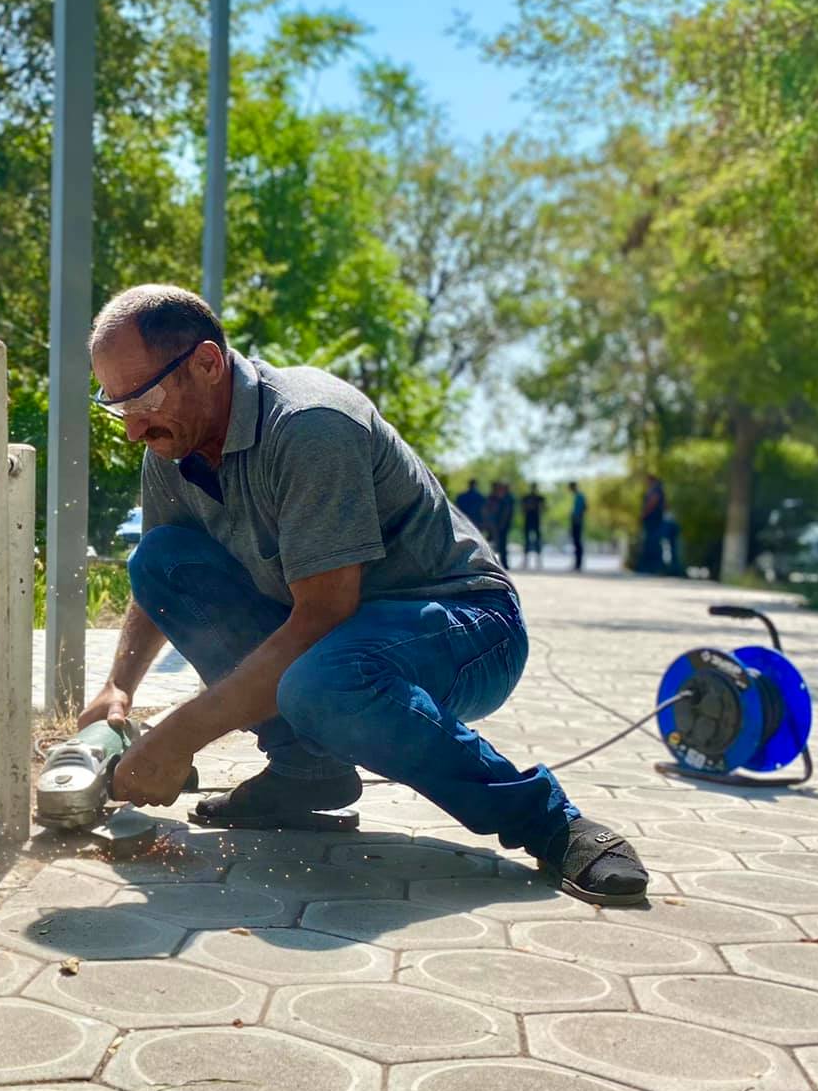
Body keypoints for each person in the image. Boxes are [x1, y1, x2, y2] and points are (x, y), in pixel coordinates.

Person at [79, 285, 647, 907]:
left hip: (465, 624)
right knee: (160, 561)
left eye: (145, 399)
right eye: (117, 406)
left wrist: (181, 734)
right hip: (337, 635)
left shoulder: (310, 425)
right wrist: (120, 686)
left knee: (325, 681)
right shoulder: (172, 441)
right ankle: (306, 774)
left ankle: (550, 823)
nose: (133, 429)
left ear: (209, 364)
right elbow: (161, 578)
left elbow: (323, 616)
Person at [639, 474, 667, 575]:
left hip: (653, 520)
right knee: (653, 542)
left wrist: (644, 513)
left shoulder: (655, 490)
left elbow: (653, 502)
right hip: (656, 519)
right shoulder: (659, 489)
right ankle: (653, 567)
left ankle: (652, 567)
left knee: (652, 542)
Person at [520, 484, 546, 570]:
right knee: (527, 541)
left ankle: (538, 561)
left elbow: (544, 508)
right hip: (529, 521)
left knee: (537, 541)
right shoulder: (526, 498)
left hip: (536, 521)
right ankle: (526, 561)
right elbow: (522, 509)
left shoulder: (539, 498)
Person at [568, 480, 587, 571]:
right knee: (576, 543)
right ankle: (577, 563)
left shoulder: (580, 496)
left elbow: (583, 508)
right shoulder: (578, 496)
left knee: (577, 542)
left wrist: (577, 519)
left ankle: (578, 564)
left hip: (577, 522)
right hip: (576, 521)